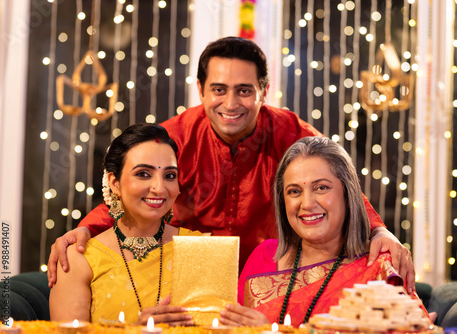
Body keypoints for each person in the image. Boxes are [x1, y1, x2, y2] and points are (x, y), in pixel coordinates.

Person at [47, 36, 414, 291]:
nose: (231, 103)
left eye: (244, 90)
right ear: (201, 90)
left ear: (264, 92)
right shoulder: (172, 137)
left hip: (274, 275)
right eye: (219, 90)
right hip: (185, 276)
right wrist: (85, 230)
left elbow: (339, 187)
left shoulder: (291, 133)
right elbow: (133, 191)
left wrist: (380, 231)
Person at [219, 137, 428, 328]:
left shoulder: (378, 269)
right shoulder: (264, 256)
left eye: (321, 188)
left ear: (348, 194)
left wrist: (268, 332)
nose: (307, 204)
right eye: (294, 191)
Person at [49, 124, 199, 325]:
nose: (159, 187)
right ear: (114, 182)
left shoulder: (198, 249)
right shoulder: (78, 260)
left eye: (170, 176)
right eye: (143, 174)